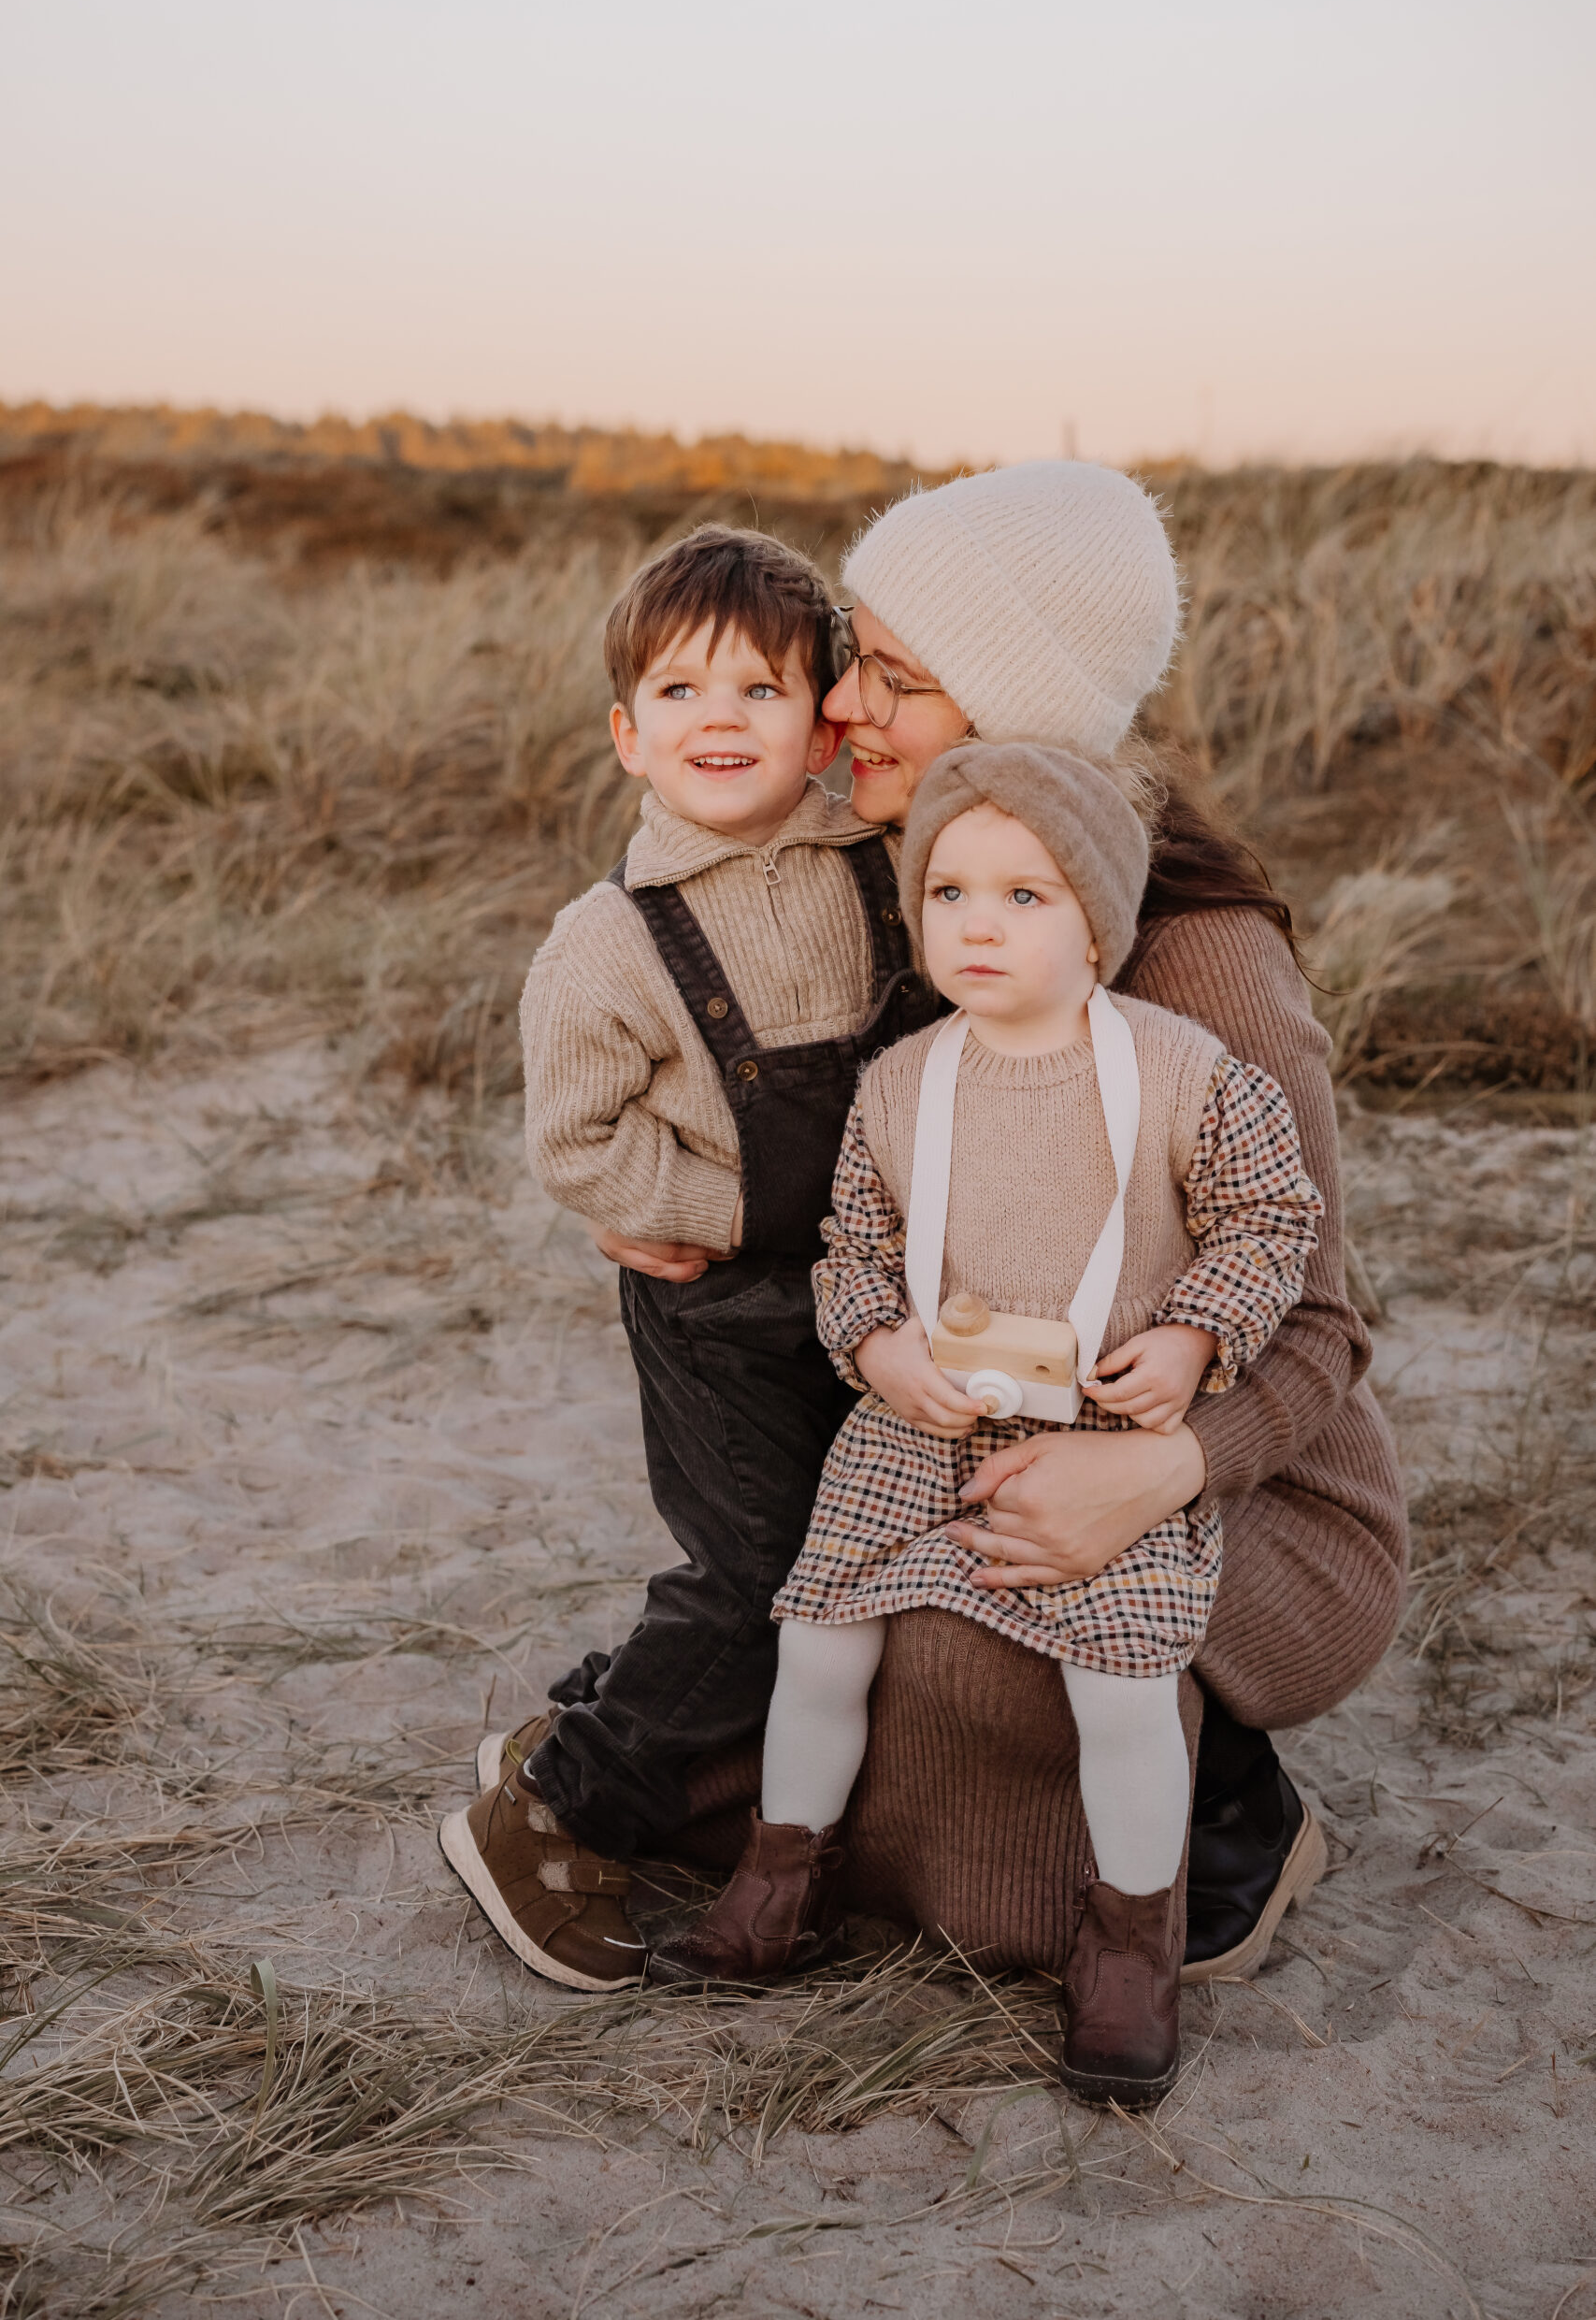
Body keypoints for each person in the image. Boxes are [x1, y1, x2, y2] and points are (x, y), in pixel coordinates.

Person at [627, 462, 1407, 1983]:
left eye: (894, 677)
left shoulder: (1198, 958)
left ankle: (1230, 1805)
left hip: (1240, 1483)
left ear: (1015, 716)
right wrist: (655, 1202)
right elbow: (855, 1174)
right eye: (849, 655)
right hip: (973, 1420)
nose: (837, 702)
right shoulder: (914, 881)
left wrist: (1155, 1472)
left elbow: (1317, 1320)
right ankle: (730, 1770)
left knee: (972, 1707)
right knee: (824, 1628)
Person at [652, 743, 1323, 2104]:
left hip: (1101, 1437)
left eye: (1026, 896)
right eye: (949, 893)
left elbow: (1273, 1220)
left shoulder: (1182, 1071)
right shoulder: (904, 1082)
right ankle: (783, 1880)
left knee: (1121, 1686)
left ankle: (1129, 1940)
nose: (978, 924)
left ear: (1099, 923)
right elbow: (856, 1245)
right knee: (820, 1643)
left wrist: (1194, 1335)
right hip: (921, 1425)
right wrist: (878, 1345)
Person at [438, 523, 942, 1991]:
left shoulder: (887, 868)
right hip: (717, 1306)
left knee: (853, 1564)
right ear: (628, 736)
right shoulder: (608, 941)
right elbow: (578, 1144)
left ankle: (594, 1715)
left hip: (875, 1299)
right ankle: (558, 1809)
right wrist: (723, 1206)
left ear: (824, 727)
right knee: (762, 1573)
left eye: (760, 691)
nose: (720, 720)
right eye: (679, 692)